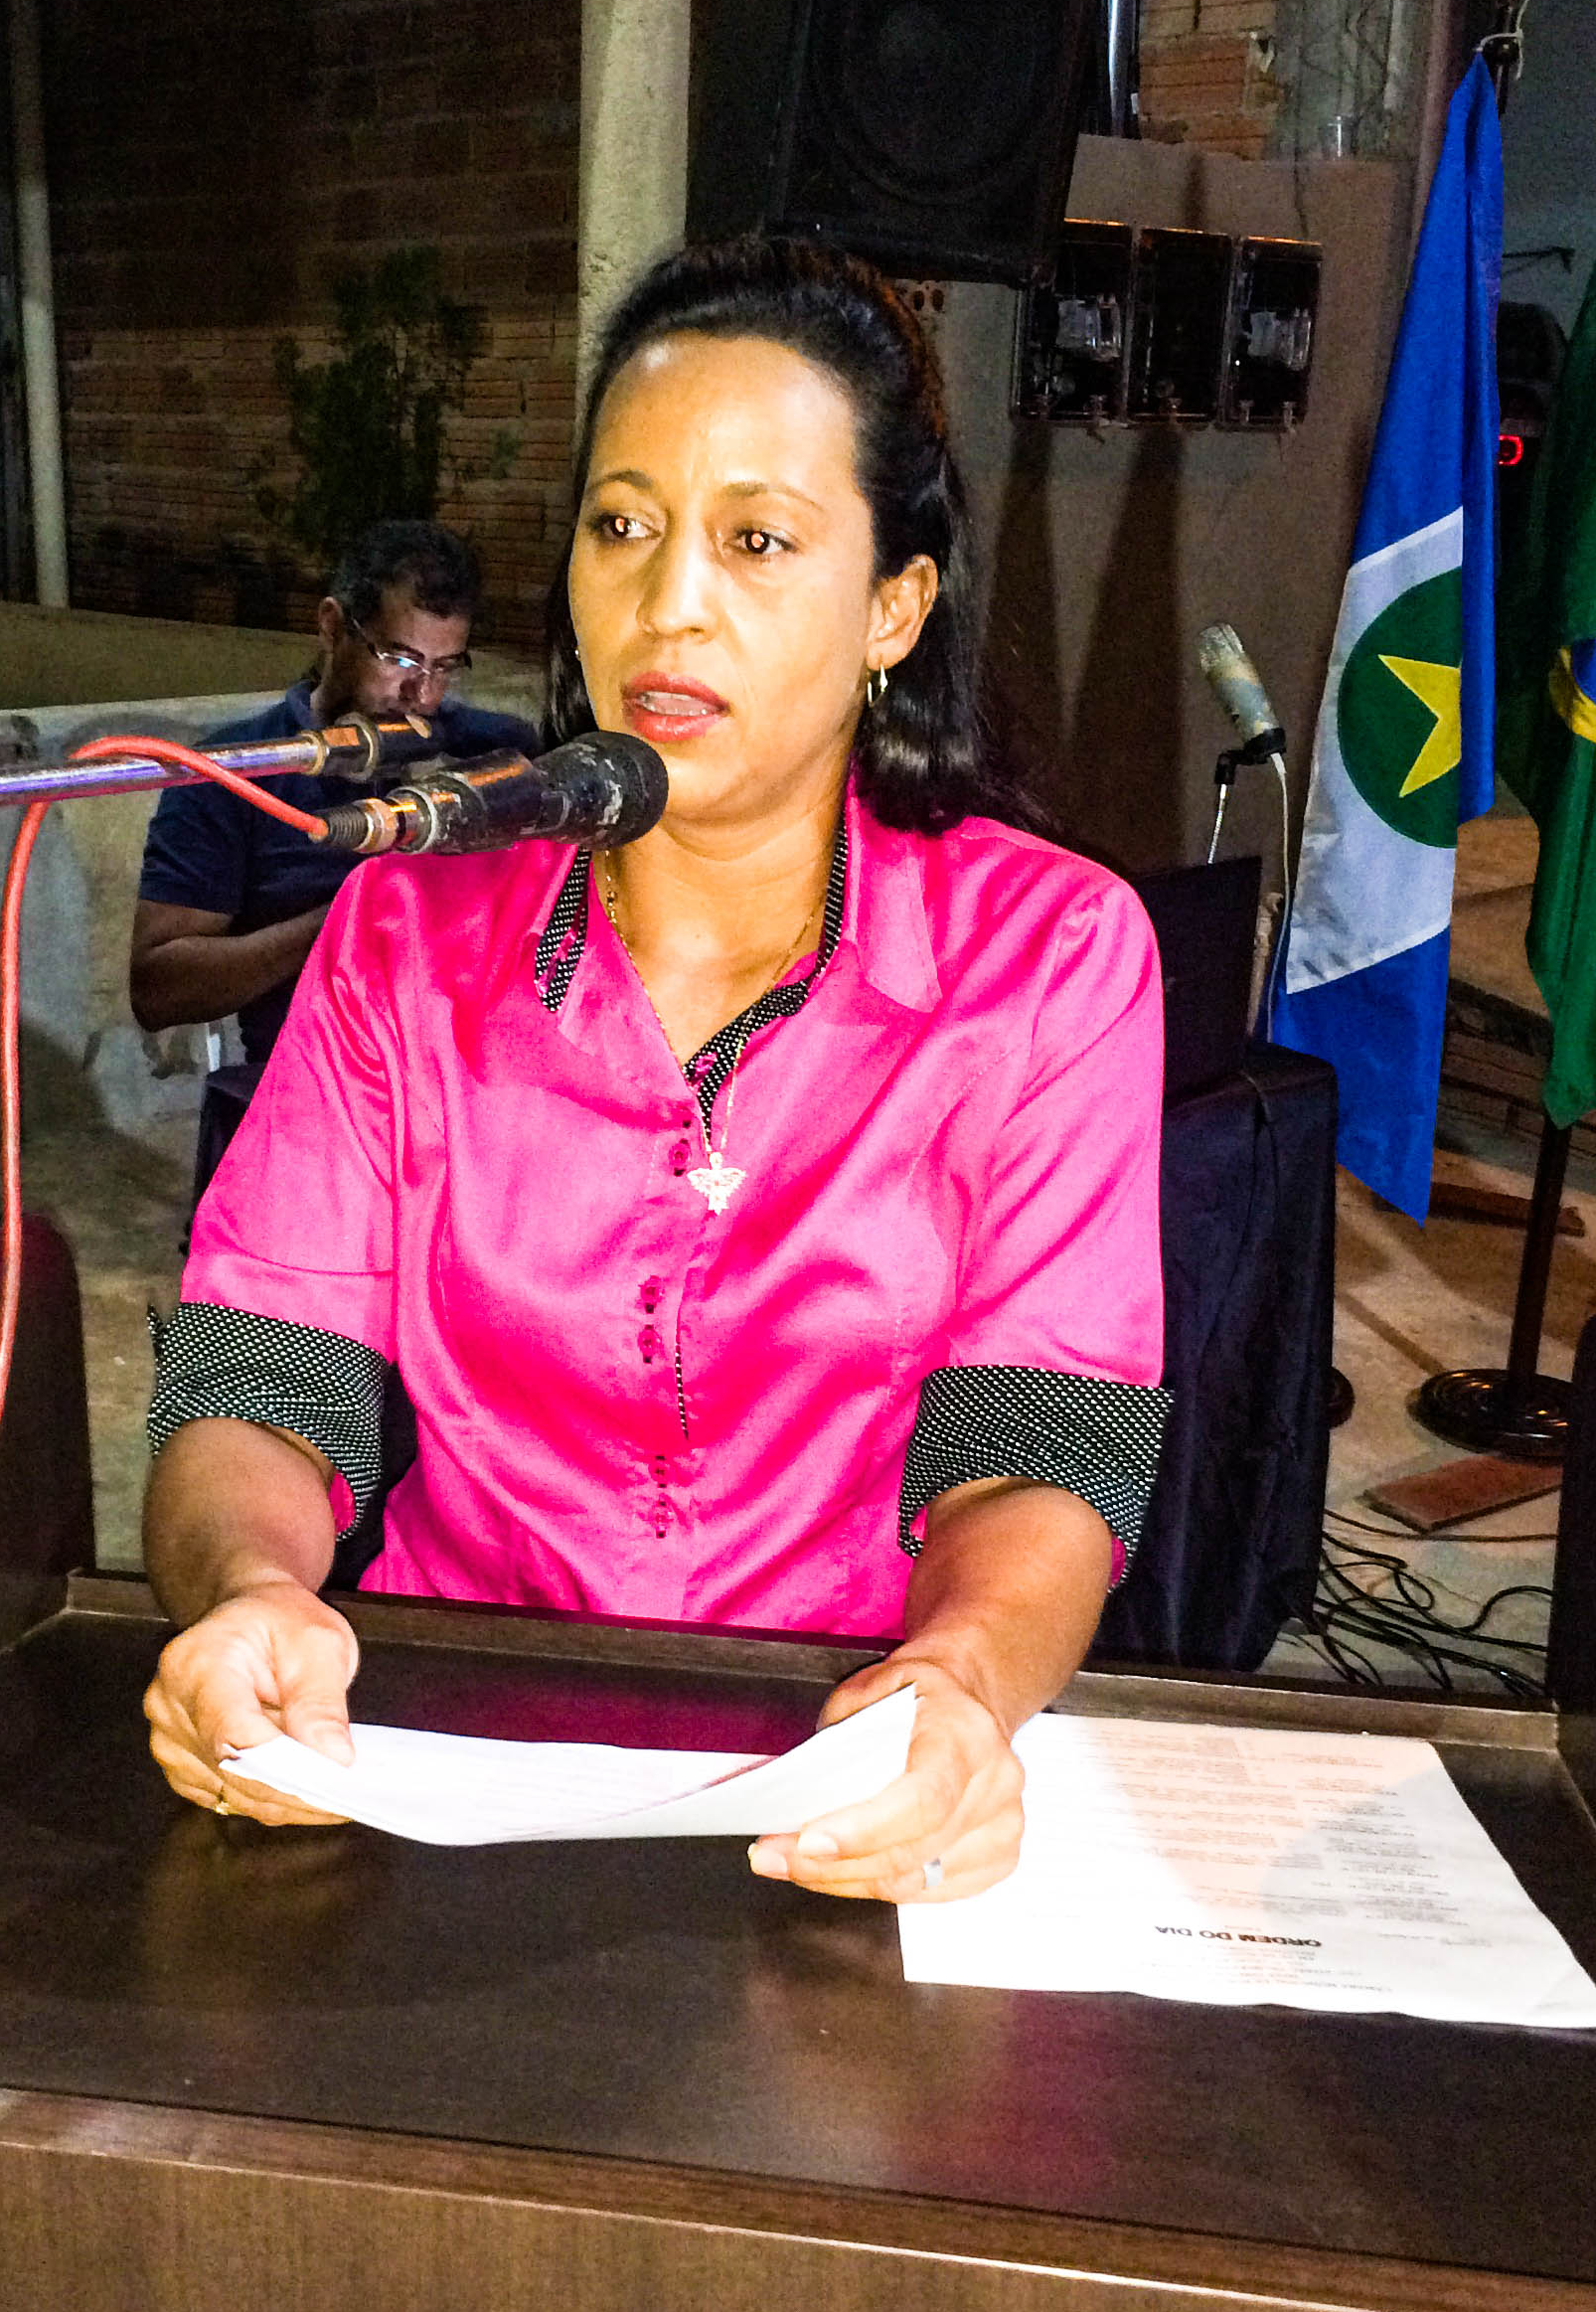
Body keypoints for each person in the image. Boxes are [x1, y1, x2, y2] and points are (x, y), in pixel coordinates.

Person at [139, 240, 1167, 1907]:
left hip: (848, 1749)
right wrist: (254, 1594)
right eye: (621, 526)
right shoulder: (406, 932)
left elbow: (1041, 1442)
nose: (668, 602)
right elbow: (260, 1380)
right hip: (439, 1741)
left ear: (894, 606)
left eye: (755, 540)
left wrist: (962, 1683)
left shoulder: (1046, 955)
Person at [129, 518, 538, 1065]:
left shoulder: (488, 749)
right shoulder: (237, 771)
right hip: (303, 1076)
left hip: (461, 1072)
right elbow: (158, 989)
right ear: (332, 627)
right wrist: (350, 918)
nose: (420, 695)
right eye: (399, 658)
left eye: (443, 668)